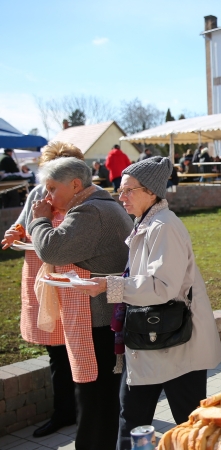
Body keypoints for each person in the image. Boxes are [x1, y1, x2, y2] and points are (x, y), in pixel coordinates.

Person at [76, 157, 221, 450]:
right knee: (134, 420)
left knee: (190, 428)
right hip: (154, 341)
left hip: (175, 344)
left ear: (152, 192)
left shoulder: (163, 226)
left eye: (129, 190)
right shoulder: (147, 222)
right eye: (120, 189)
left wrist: (109, 285)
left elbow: (162, 287)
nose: (121, 196)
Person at [28, 157, 133, 450]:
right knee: (100, 398)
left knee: (95, 398)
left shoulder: (91, 211)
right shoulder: (96, 205)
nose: (47, 197)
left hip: (100, 319)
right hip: (104, 315)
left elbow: (51, 249)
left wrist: (39, 219)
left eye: (51, 188)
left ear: (75, 185)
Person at [0, 142, 84, 438]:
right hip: (44, 277)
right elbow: (23, 224)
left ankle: (85, 411)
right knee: (57, 350)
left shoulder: (84, 195)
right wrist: (15, 231)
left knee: (83, 346)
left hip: (75, 277)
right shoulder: (39, 193)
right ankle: (64, 412)